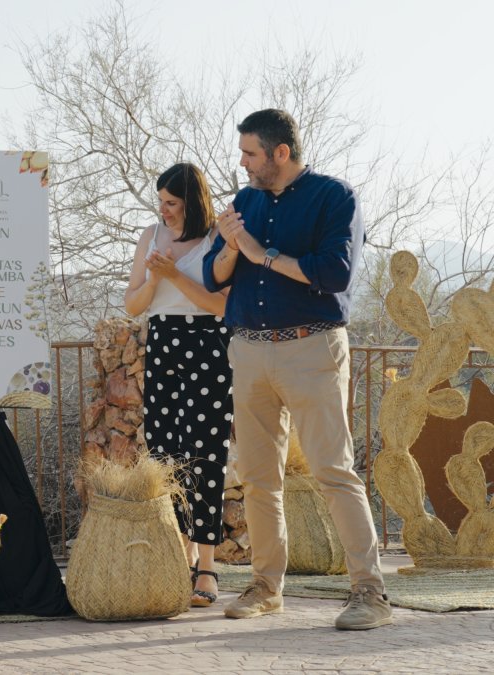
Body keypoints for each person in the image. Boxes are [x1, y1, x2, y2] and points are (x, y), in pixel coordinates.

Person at [203, 109, 391, 630]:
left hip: (312, 349)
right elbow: (214, 276)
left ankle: (370, 592)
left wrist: (261, 254)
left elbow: (334, 272)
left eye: (250, 153)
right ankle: (266, 587)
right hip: (249, 351)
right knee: (259, 478)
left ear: (280, 153)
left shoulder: (334, 196)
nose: (243, 163)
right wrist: (231, 247)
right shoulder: (244, 202)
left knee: (334, 471)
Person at [124, 162, 231, 607]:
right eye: (161, 201)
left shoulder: (217, 239)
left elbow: (222, 305)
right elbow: (133, 306)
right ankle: (178, 558)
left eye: (171, 202)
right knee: (165, 454)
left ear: (192, 201)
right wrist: (154, 279)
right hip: (163, 343)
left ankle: (206, 566)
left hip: (208, 344)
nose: (163, 210)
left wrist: (174, 275)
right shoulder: (150, 236)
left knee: (206, 455)